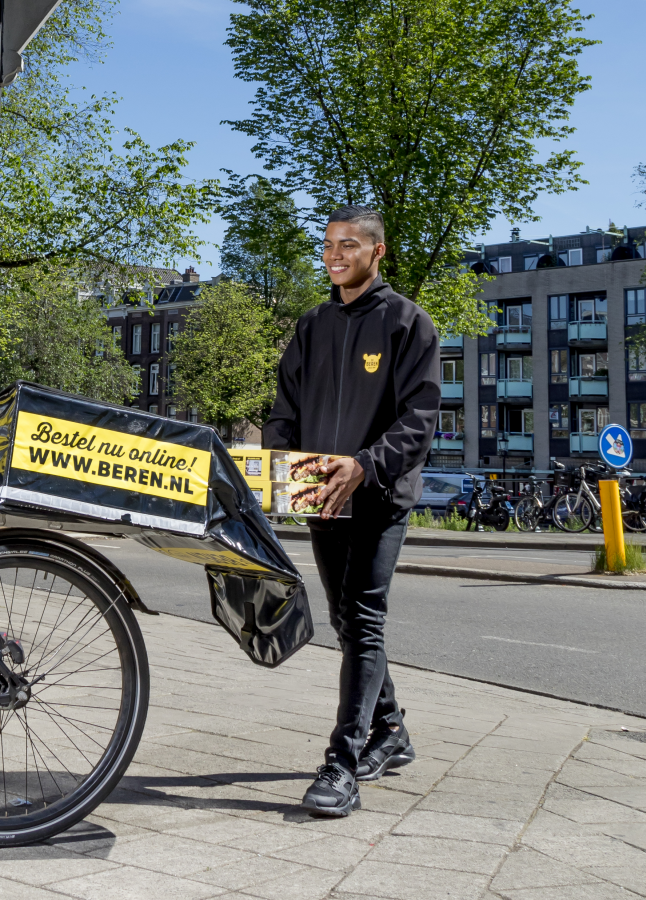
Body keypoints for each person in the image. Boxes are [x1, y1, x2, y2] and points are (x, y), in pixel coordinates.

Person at [263, 205, 439, 817]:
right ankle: (391, 731)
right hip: (317, 494)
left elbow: (419, 420)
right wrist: (276, 470)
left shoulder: (408, 324)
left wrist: (366, 463)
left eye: (348, 245)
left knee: (363, 620)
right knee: (345, 620)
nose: (335, 254)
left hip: (378, 497)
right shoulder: (312, 325)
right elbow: (284, 407)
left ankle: (342, 763)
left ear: (376, 251)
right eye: (329, 244)